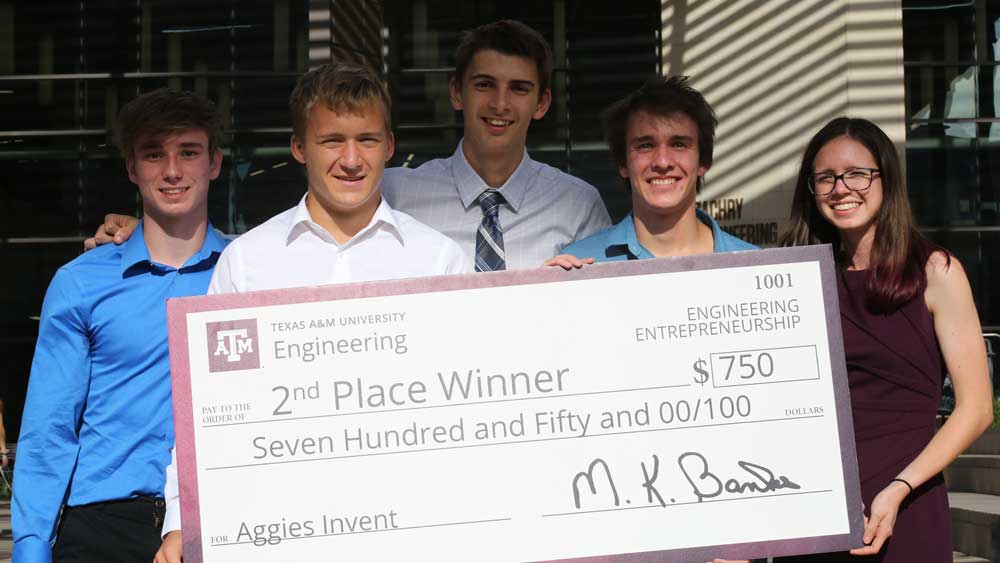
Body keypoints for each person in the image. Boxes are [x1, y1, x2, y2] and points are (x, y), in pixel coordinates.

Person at [153, 62, 467, 563]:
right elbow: (203, 410)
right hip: (281, 530)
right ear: (299, 147)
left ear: (389, 146)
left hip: (411, 530)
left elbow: (468, 403)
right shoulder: (249, 262)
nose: (350, 159)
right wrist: (180, 522)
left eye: (366, 140)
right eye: (330, 141)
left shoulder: (439, 260)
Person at [86, 19, 611, 271]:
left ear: (541, 103)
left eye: (518, 89)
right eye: (483, 85)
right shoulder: (397, 190)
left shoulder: (578, 203)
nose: (500, 103)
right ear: (456, 92)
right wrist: (153, 229)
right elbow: (303, 233)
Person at [13, 89, 229, 563]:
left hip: (223, 516)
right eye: (154, 154)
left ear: (215, 162)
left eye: (188, 153)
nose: (172, 171)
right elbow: (50, 426)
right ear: (132, 168)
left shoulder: (249, 271)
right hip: (103, 526)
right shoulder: (81, 282)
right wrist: (31, 546)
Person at [776, 117, 993, 562]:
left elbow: (976, 408)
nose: (842, 188)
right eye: (826, 178)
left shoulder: (936, 272)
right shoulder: (790, 280)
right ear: (811, 190)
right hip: (816, 507)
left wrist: (899, 488)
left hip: (908, 500)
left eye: (857, 173)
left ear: (885, 178)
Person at [554, 74, 755, 267]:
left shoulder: (754, 266)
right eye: (645, 146)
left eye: (678, 144)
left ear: (703, 161)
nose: (662, 161)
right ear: (623, 163)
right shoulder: (578, 267)